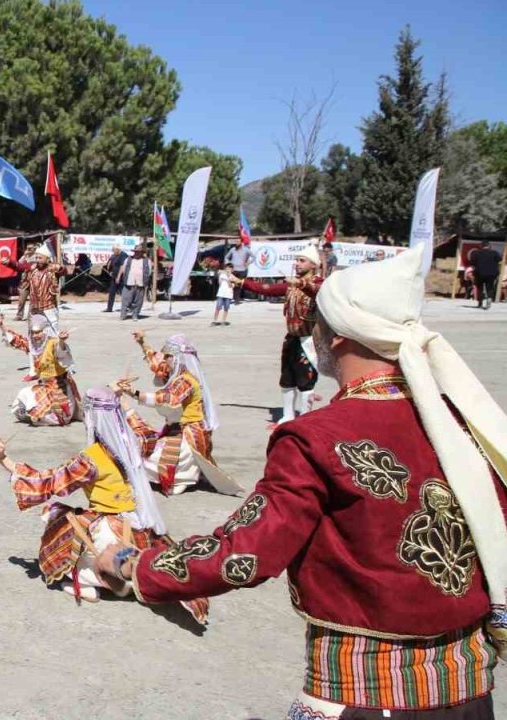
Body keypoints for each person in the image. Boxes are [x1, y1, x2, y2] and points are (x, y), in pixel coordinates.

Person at [96, 249, 507, 718]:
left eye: (318, 322)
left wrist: (134, 564)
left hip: (367, 695)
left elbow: (243, 554)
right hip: (472, 694)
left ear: (338, 337)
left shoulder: (316, 437)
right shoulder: (463, 423)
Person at [0, 387, 208, 623]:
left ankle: (87, 581)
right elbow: (147, 433)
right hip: (141, 528)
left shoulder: (91, 459)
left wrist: (4, 460)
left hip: (110, 531)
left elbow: (48, 483)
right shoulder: (135, 442)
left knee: (57, 517)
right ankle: (128, 574)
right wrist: (123, 401)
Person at [119, 332, 222, 496]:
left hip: (189, 435)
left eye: (167, 356)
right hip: (180, 429)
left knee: (148, 457)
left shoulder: (186, 380)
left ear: (176, 358)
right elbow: (157, 364)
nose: (164, 359)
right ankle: (185, 475)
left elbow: (165, 399)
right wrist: (142, 343)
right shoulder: (178, 373)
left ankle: (181, 478)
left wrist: (133, 393)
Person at [242, 246, 323, 424]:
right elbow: (267, 288)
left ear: (313, 264)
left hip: (309, 340)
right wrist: (241, 282)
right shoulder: (292, 284)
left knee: (306, 380)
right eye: (297, 260)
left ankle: (305, 419)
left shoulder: (320, 283)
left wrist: (301, 284)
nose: (297, 263)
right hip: (292, 338)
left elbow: (316, 291)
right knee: (287, 379)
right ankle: (288, 415)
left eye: (302, 260)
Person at [0, 313, 80, 427]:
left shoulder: (53, 343)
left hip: (60, 388)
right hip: (44, 386)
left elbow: (61, 352)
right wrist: (1, 325)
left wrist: (61, 341)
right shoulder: (33, 345)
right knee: (22, 397)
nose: (35, 336)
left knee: (52, 417)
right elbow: (17, 340)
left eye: (38, 332)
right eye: (33, 333)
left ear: (45, 331)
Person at [13, 244, 74, 330]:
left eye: (40, 258)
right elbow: (20, 266)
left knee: (51, 333)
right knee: (34, 332)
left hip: (49, 308)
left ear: (47, 259)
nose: (38, 260)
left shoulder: (52, 269)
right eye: (36, 258)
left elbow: (64, 271)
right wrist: (9, 262)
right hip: (34, 309)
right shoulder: (33, 267)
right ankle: (19, 314)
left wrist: (60, 268)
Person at [115, 244, 151, 321]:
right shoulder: (128, 259)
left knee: (138, 301)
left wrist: (145, 280)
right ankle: (123, 315)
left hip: (140, 283)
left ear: (142, 252)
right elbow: (124, 268)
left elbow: (149, 271)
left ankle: (135, 315)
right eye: (136, 251)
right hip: (129, 282)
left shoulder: (147, 261)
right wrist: (119, 277)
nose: (137, 253)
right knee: (125, 299)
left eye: (139, 252)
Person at [470, 242, 502, 310]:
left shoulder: (476, 253)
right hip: (492, 273)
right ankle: (489, 299)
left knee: (480, 288)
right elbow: (499, 259)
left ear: (481, 246)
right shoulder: (494, 253)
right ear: (489, 246)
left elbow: (472, 262)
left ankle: (480, 303)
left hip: (480, 273)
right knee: (490, 287)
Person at [14, 243, 37, 320]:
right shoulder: (25, 257)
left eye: (31, 248)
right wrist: (24, 255)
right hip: (25, 280)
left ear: (34, 249)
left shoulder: (37, 256)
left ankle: (30, 315)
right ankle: (19, 315)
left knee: (33, 300)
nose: (29, 250)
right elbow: (18, 264)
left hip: (34, 280)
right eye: (28, 248)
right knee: (21, 300)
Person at [225, 238, 253, 303]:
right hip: (234, 270)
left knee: (238, 285)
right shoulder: (232, 249)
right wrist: (229, 264)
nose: (237, 243)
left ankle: (236, 299)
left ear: (241, 243)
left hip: (242, 270)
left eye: (238, 242)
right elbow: (226, 257)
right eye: (236, 241)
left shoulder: (246, 249)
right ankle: (229, 298)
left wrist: (249, 262)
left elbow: (254, 257)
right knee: (231, 284)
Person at [211, 262, 239, 326]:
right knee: (218, 307)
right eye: (227, 268)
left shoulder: (233, 277)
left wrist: (229, 279)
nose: (228, 270)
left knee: (226, 308)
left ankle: (223, 321)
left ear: (232, 270)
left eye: (230, 269)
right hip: (221, 293)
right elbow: (220, 283)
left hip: (228, 295)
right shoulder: (222, 275)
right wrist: (222, 276)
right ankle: (215, 321)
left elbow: (231, 286)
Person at [103, 245, 129, 313]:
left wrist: (119, 276)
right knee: (111, 292)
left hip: (122, 277)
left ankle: (127, 307)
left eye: (113, 250)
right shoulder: (114, 256)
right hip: (114, 277)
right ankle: (109, 308)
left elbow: (122, 266)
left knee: (123, 293)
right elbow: (111, 264)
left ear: (117, 249)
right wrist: (110, 271)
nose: (113, 252)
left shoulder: (123, 255)